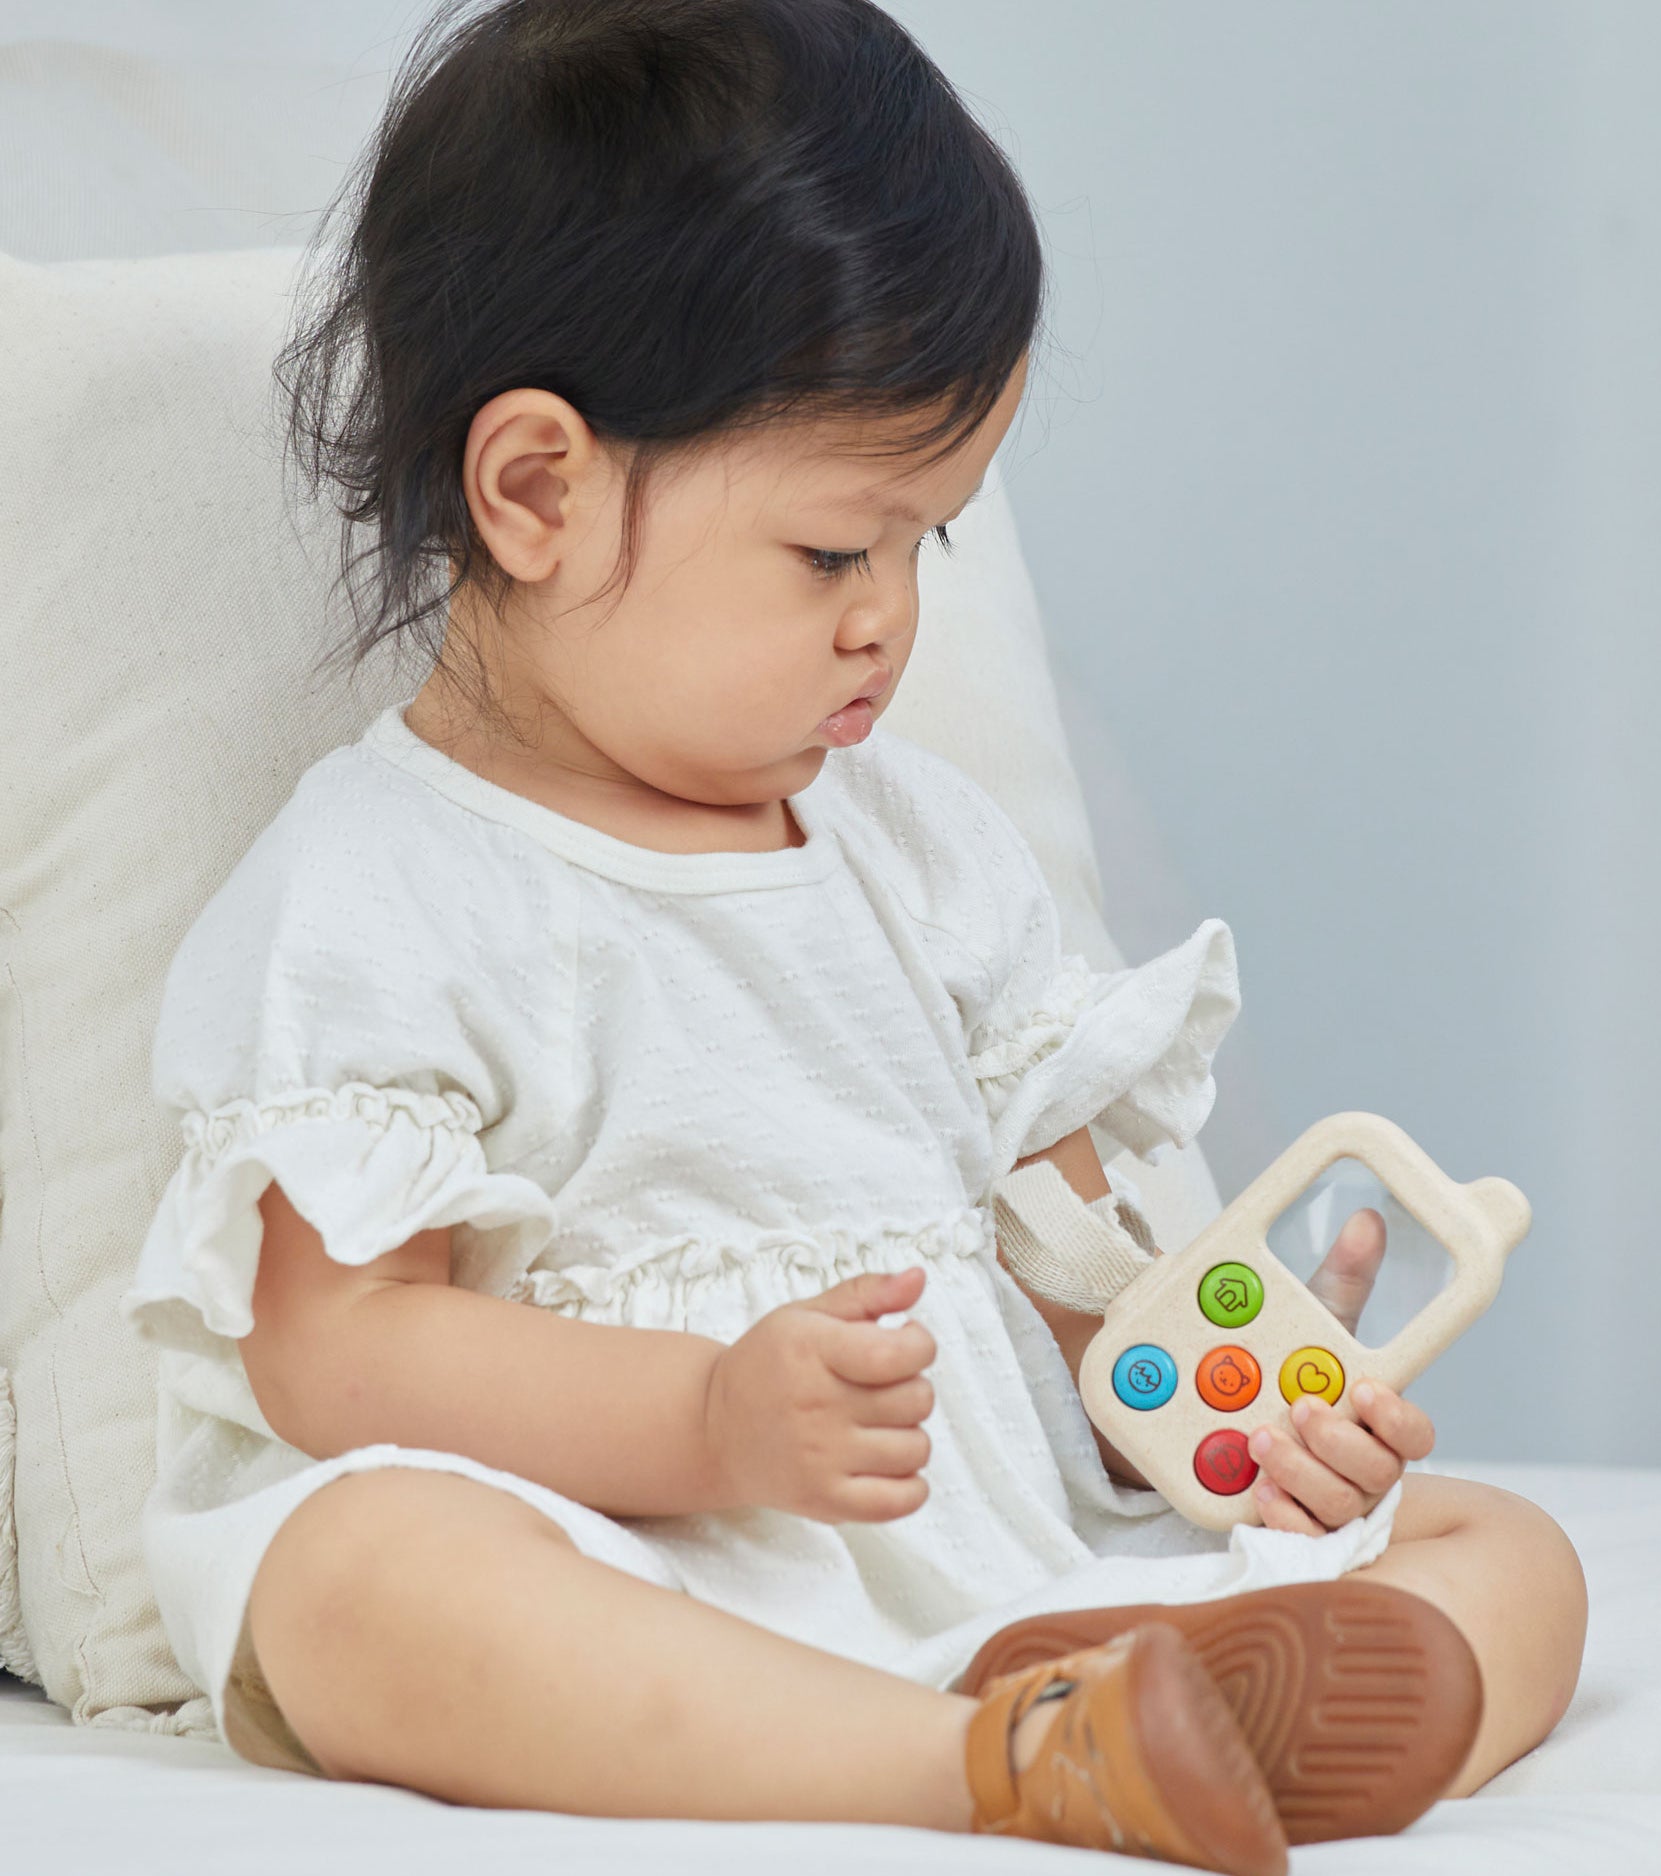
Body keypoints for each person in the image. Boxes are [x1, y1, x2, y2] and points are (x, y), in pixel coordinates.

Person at [118, 1, 1587, 1867]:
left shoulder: (922, 856)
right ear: (538, 490)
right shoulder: (383, 888)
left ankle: (1145, 1710)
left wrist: (1217, 1408)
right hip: (618, 1558)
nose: (887, 621)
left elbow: (1065, 1275)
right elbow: (339, 1356)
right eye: (835, 551)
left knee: (1506, 1554)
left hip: (972, 1560)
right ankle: (975, 1767)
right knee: (361, 1579)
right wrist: (708, 1425)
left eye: (927, 547)